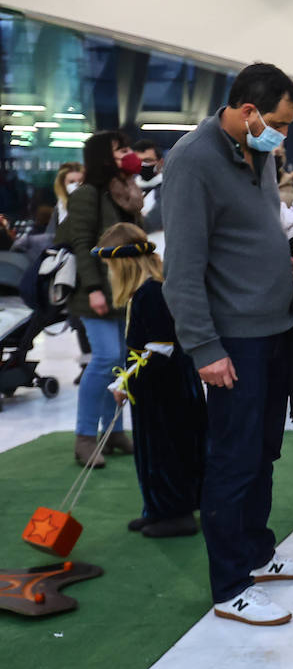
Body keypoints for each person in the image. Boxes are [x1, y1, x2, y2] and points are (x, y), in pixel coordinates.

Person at [162, 62, 293, 627]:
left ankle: (257, 554)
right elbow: (181, 269)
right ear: (248, 111)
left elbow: (253, 232)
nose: (284, 134)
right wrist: (204, 347)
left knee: (262, 452)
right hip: (233, 339)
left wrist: (289, 262)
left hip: (274, 328)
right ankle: (230, 585)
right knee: (231, 461)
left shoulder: (258, 153)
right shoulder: (192, 162)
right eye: (278, 122)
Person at [100, 222, 205, 538]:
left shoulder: (151, 294)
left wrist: (127, 382)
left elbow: (160, 350)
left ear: (124, 264)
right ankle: (158, 508)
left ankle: (177, 512)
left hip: (165, 389)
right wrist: (129, 382)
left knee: (166, 450)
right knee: (152, 449)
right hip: (157, 386)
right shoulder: (147, 291)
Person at [56, 130, 144, 468]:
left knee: (120, 361)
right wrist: (93, 289)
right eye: (120, 149)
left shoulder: (126, 194)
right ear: (103, 157)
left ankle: (113, 432)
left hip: (125, 291)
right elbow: (81, 245)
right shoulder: (88, 195)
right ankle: (85, 438)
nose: (127, 154)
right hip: (93, 292)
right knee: (105, 357)